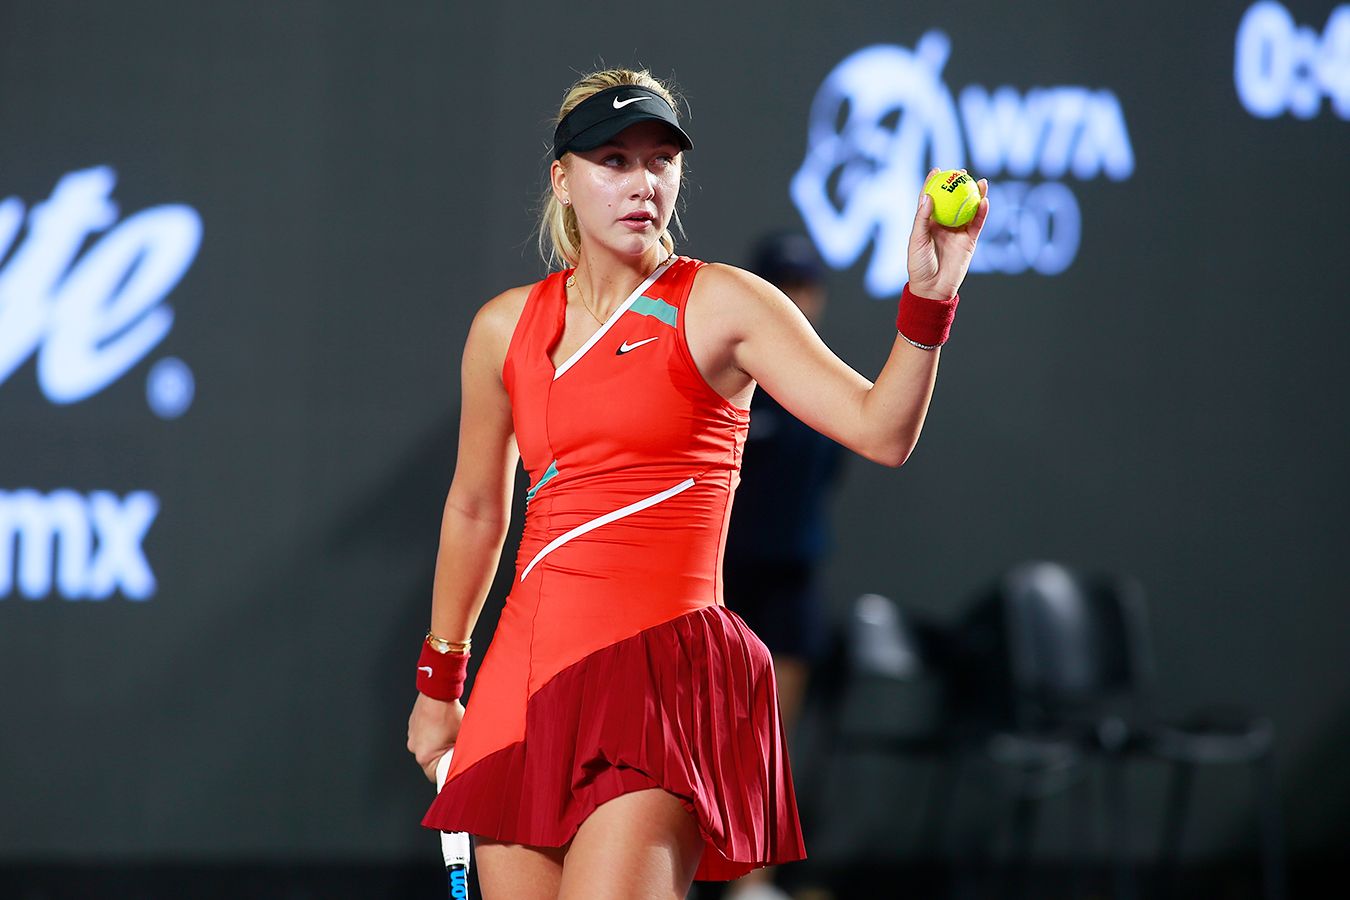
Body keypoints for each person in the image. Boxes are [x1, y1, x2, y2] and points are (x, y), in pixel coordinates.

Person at [405, 67, 988, 900]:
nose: (642, 182)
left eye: (660, 160)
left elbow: (881, 430)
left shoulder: (721, 303)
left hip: (659, 684)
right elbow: (474, 510)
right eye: (614, 160)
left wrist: (929, 300)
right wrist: (440, 684)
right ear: (562, 180)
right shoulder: (503, 327)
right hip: (520, 687)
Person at [721, 234, 843, 900]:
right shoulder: (731, 377)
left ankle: (752, 881)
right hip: (721, 587)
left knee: (770, 735)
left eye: (804, 287)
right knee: (703, 736)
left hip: (791, 585)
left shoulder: (825, 386)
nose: (795, 300)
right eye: (782, 286)